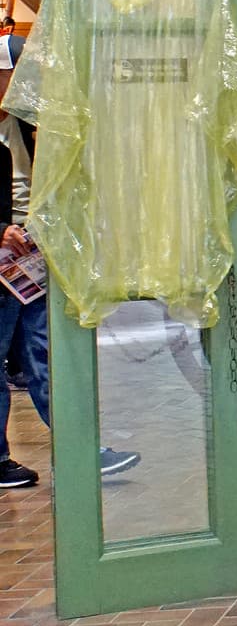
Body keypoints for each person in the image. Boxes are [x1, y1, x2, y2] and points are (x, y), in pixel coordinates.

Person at [0, 32, 139, 489]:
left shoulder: (26, 123)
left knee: (45, 353)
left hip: (30, 256)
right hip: (6, 252)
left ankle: (82, 450)